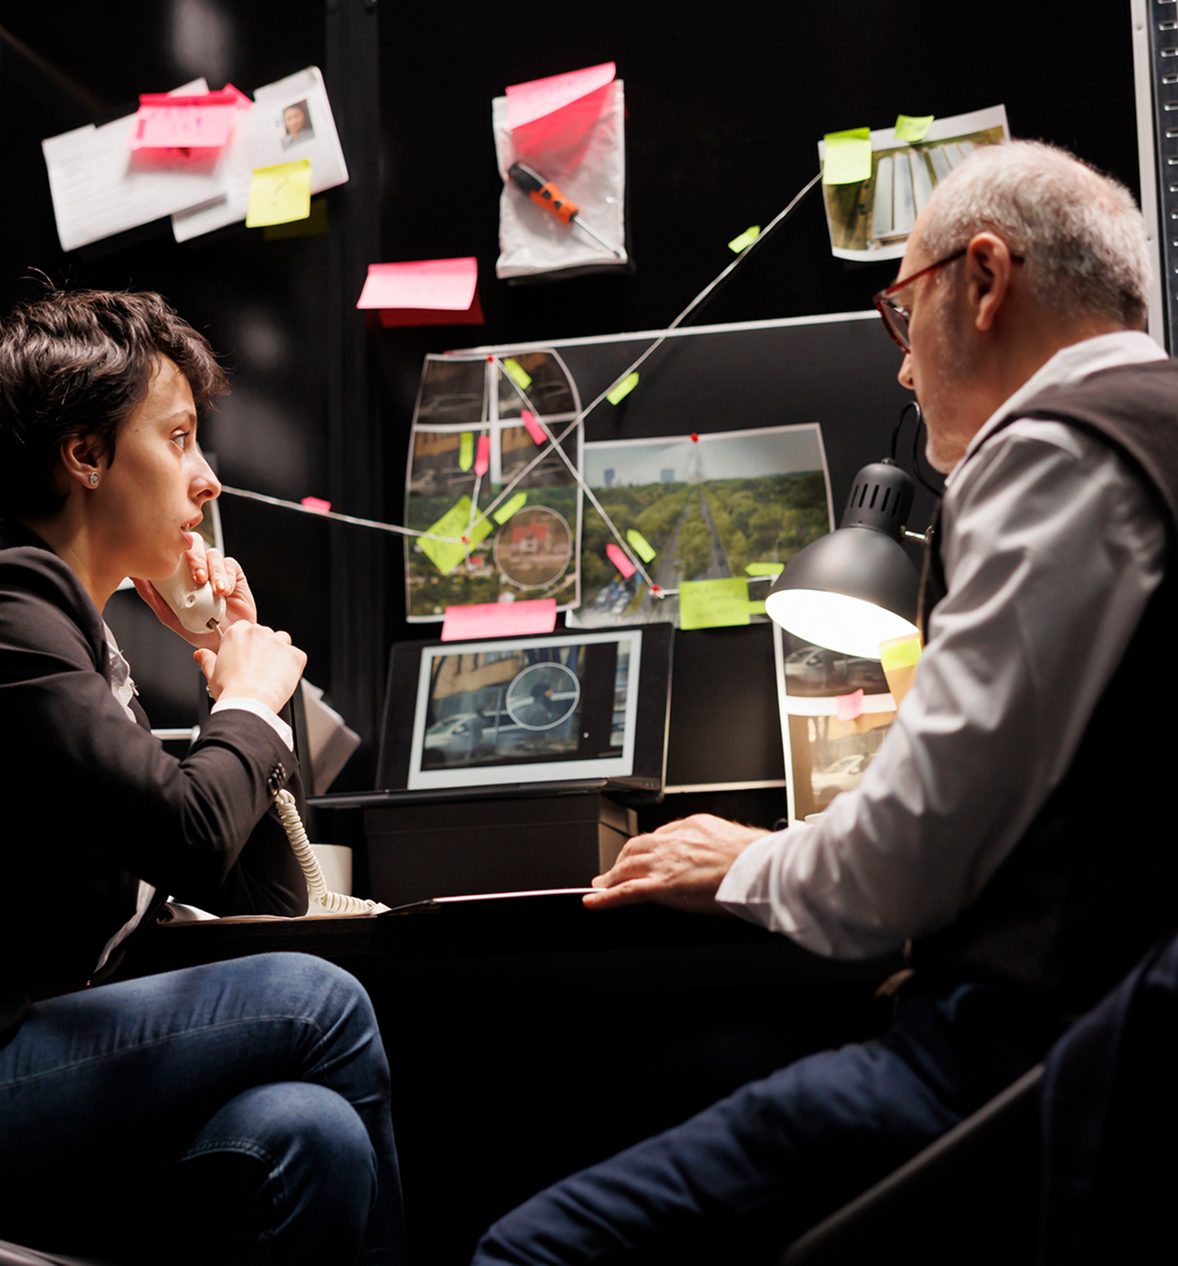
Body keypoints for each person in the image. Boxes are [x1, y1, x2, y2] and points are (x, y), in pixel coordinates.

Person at [471, 140, 1178, 1264]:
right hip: (1101, 1051)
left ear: (984, 281)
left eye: (900, 312)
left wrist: (738, 862)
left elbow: (895, 870)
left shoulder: (1053, 451)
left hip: (1024, 1068)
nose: (900, 371)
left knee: (531, 1248)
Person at [0, 288, 405, 1264]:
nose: (208, 478)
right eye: (178, 438)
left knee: (308, 1130)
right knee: (318, 1001)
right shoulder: (14, 603)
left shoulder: (85, 643)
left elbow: (260, 891)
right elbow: (181, 832)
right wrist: (249, 707)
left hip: (48, 1064)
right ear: (87, 455)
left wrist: (228, 661)